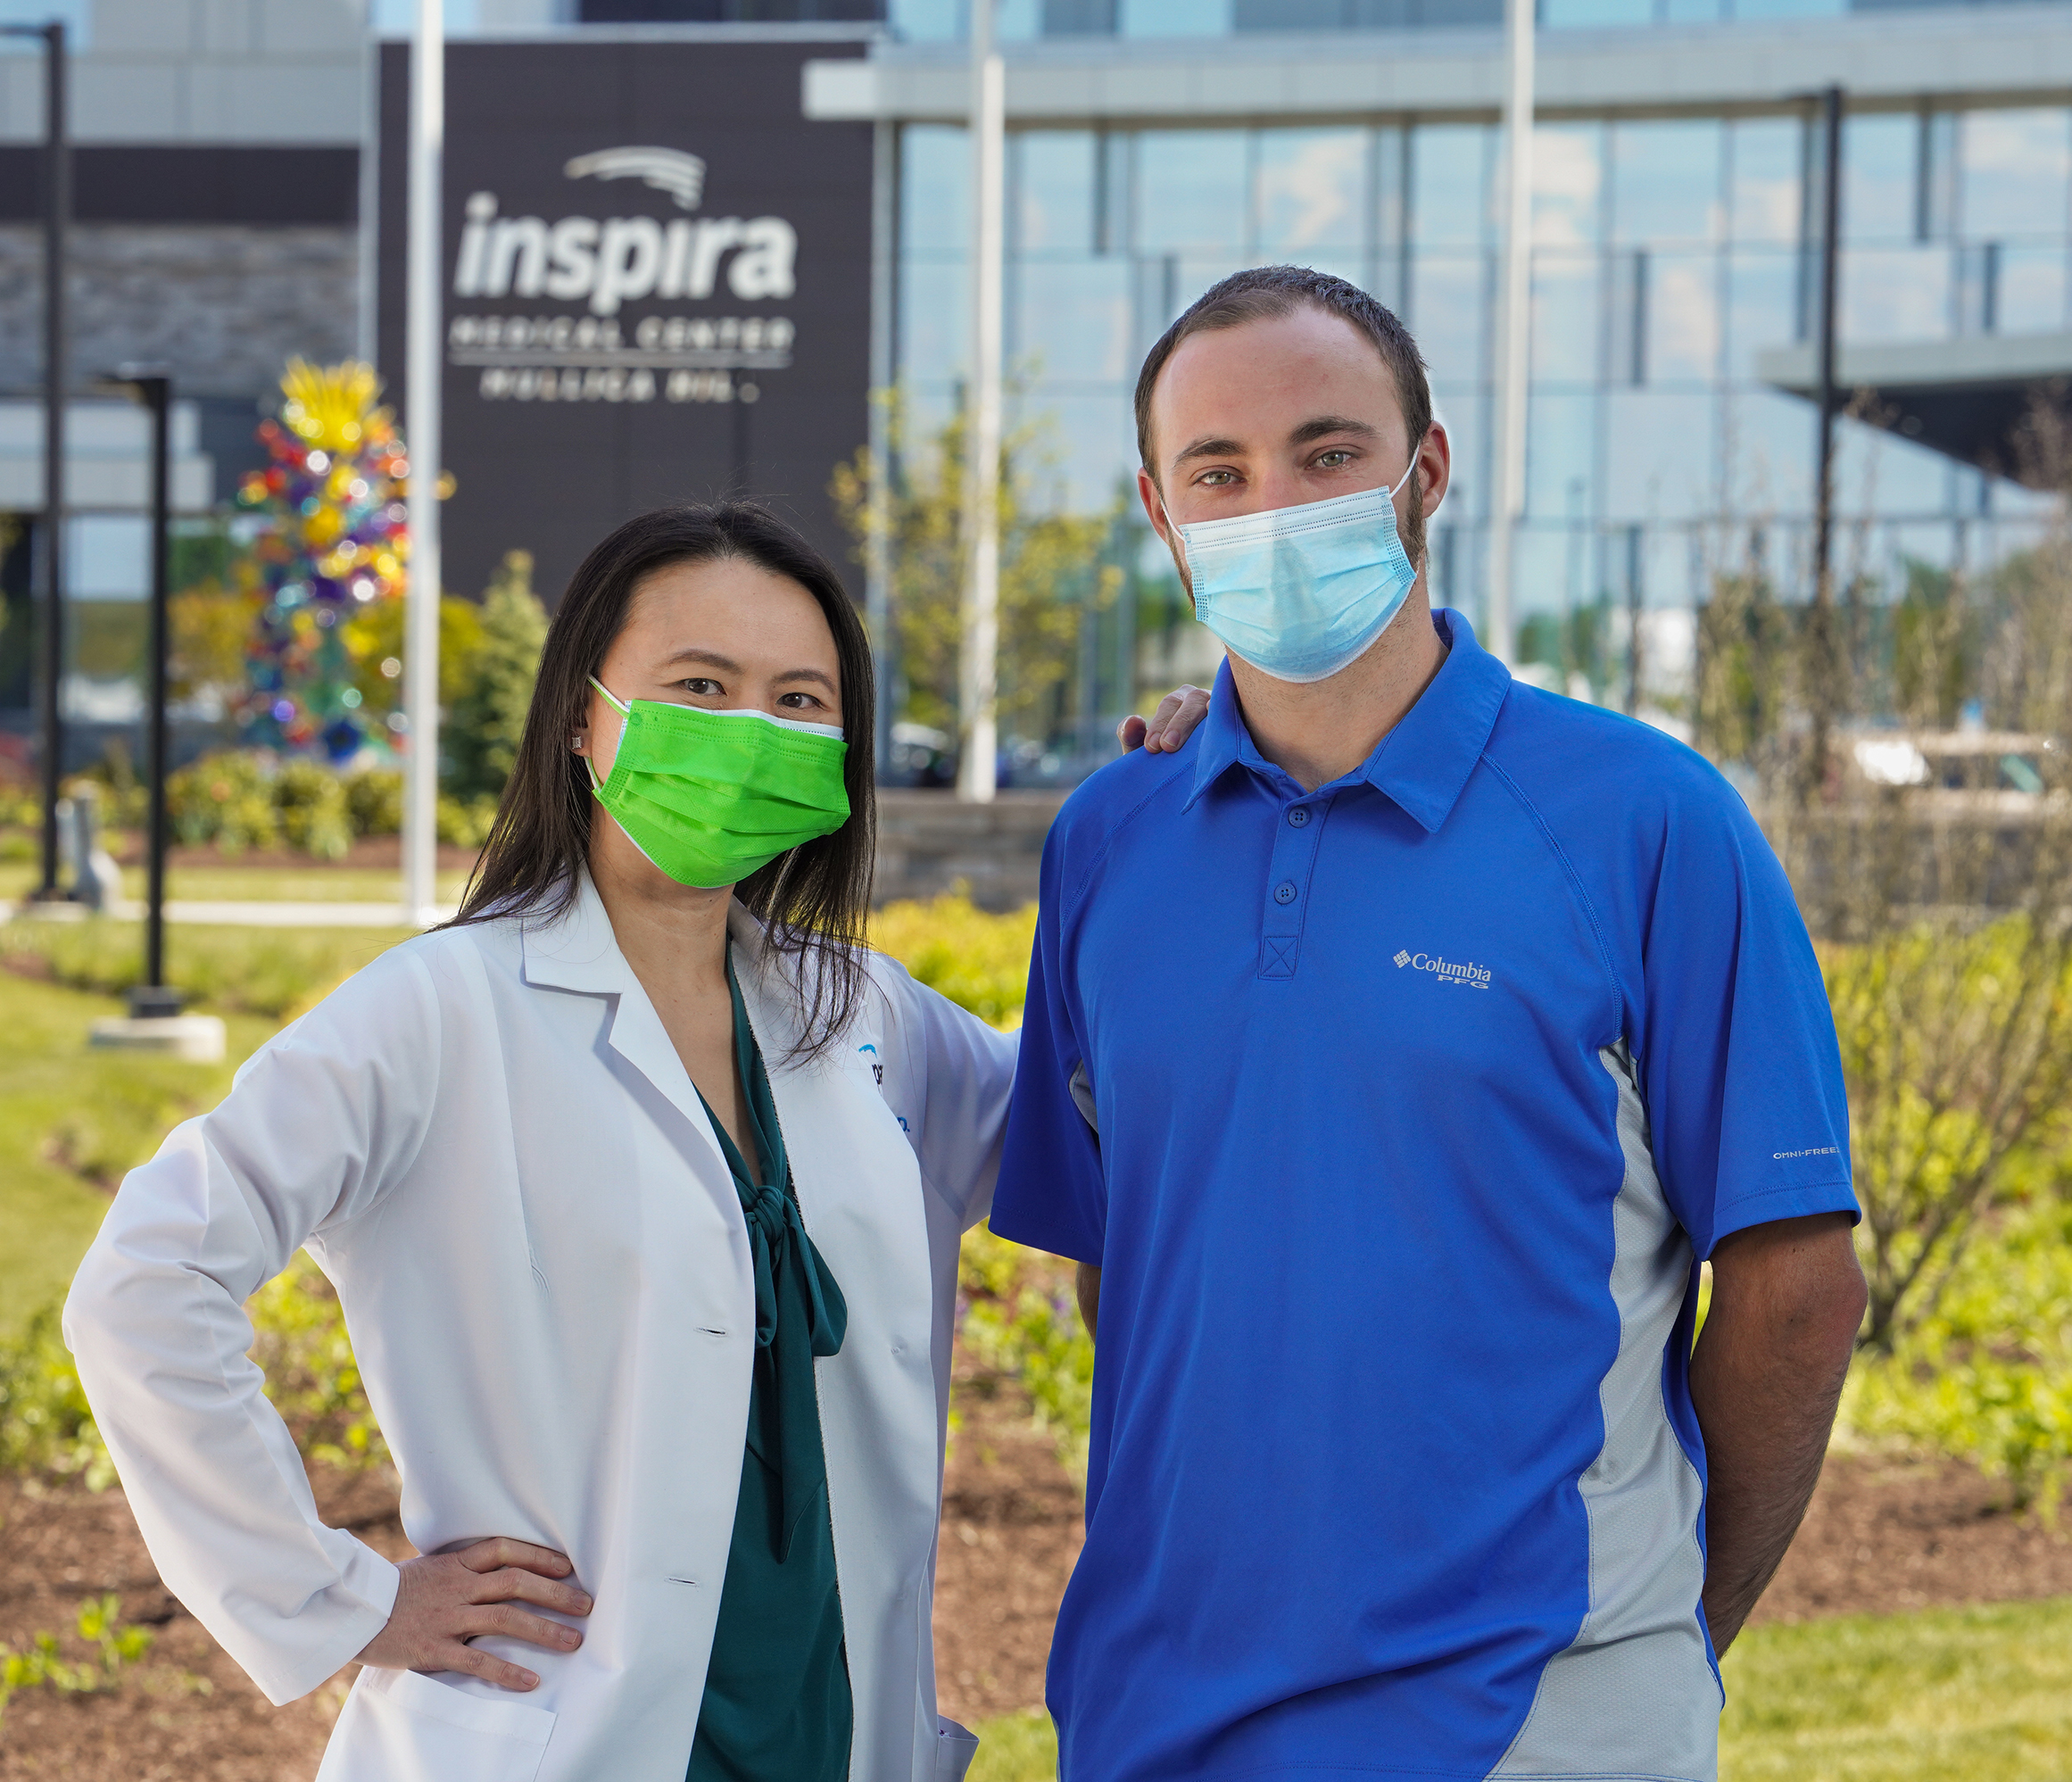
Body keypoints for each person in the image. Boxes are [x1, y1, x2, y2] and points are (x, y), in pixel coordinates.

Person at [62, 501, 1206, 1782]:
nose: (747, 733)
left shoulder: (862, 1014)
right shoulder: (445, 1010)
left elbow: (1111, 1110)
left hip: (828, 1735)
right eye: (699, 686)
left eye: (797, 699)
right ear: (581, 716)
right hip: (553, 1735)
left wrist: (1191, 813)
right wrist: (341, 1597)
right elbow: (147, 1279)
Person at [989, 267, 1869, 1782]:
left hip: (1533, 1721)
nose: (1273, 503)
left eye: (1328, 452)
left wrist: (1657, 1638)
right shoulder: (1109, 840)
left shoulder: (1646, 822)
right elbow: (1118, 1268)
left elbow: (1797, 1291)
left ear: (1426, 470)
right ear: (1161, 508)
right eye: (1221, 470)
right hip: (1151, 1715)